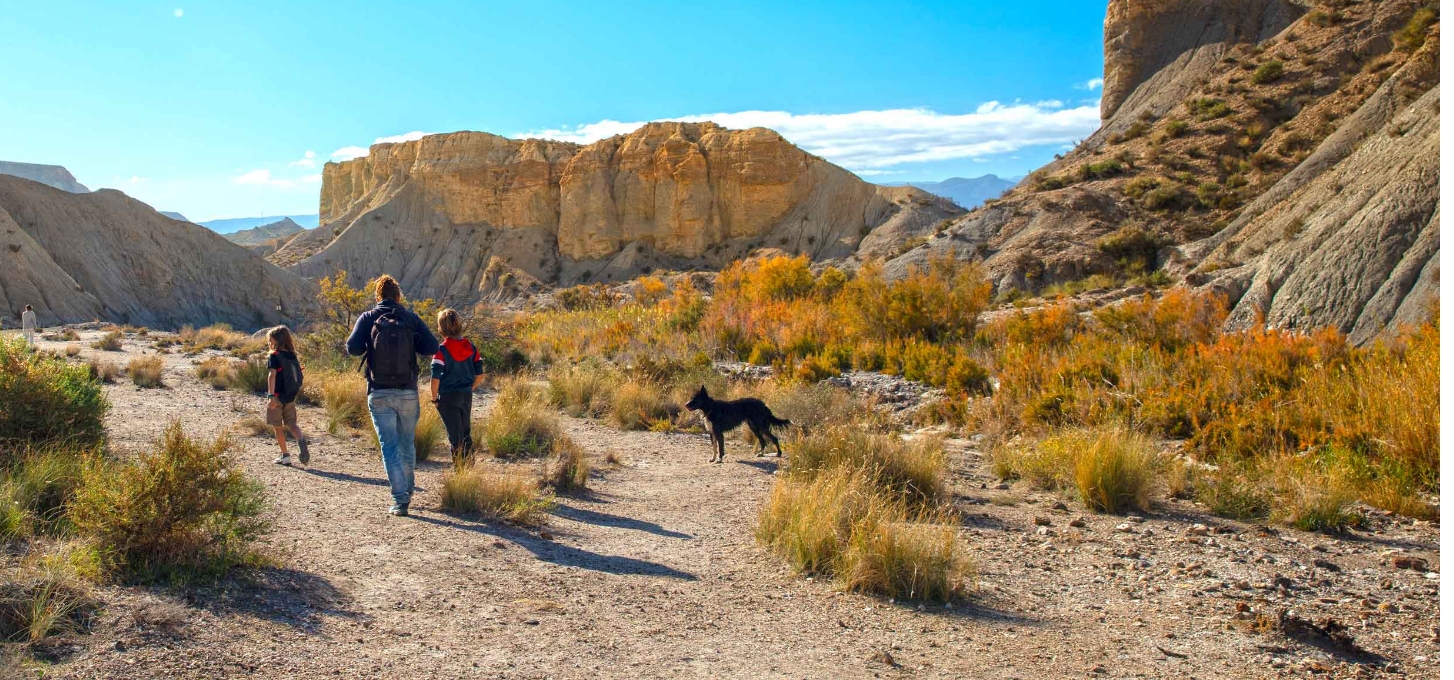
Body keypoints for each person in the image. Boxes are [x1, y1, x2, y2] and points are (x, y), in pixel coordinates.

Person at [346, 275, 439, 517]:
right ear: (398, 296)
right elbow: (432, 347)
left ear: (378, 296)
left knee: (389, 446)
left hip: (379, 390)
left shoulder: (368, 318)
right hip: (407, 390)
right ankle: (407, 490)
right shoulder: (410, 318)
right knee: (407, 443)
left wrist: (370, 344)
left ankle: (400, 499)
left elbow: (352, 348)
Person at [429, 309, 485, 467]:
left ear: (441, 328)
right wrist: (470, 388)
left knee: (455, 436)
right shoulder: (471, 347)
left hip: (447, 397)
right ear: (459, 325)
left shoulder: (441, 351)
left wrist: (434, 399)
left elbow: (435, 379)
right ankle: (468, 469)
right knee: (465, 431)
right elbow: (480, 374)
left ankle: (460, 471)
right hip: (466, 395)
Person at [265, 326, 310, 466]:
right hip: (290, 397)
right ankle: (301, 440)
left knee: (277, 426)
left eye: (270, 340)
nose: (269, 342)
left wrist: (271, 396)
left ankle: (285, 456)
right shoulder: (292, 355)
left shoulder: (274, 356)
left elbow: (272, 376)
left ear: (276, 340)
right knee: (292, 424)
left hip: (277, 397)